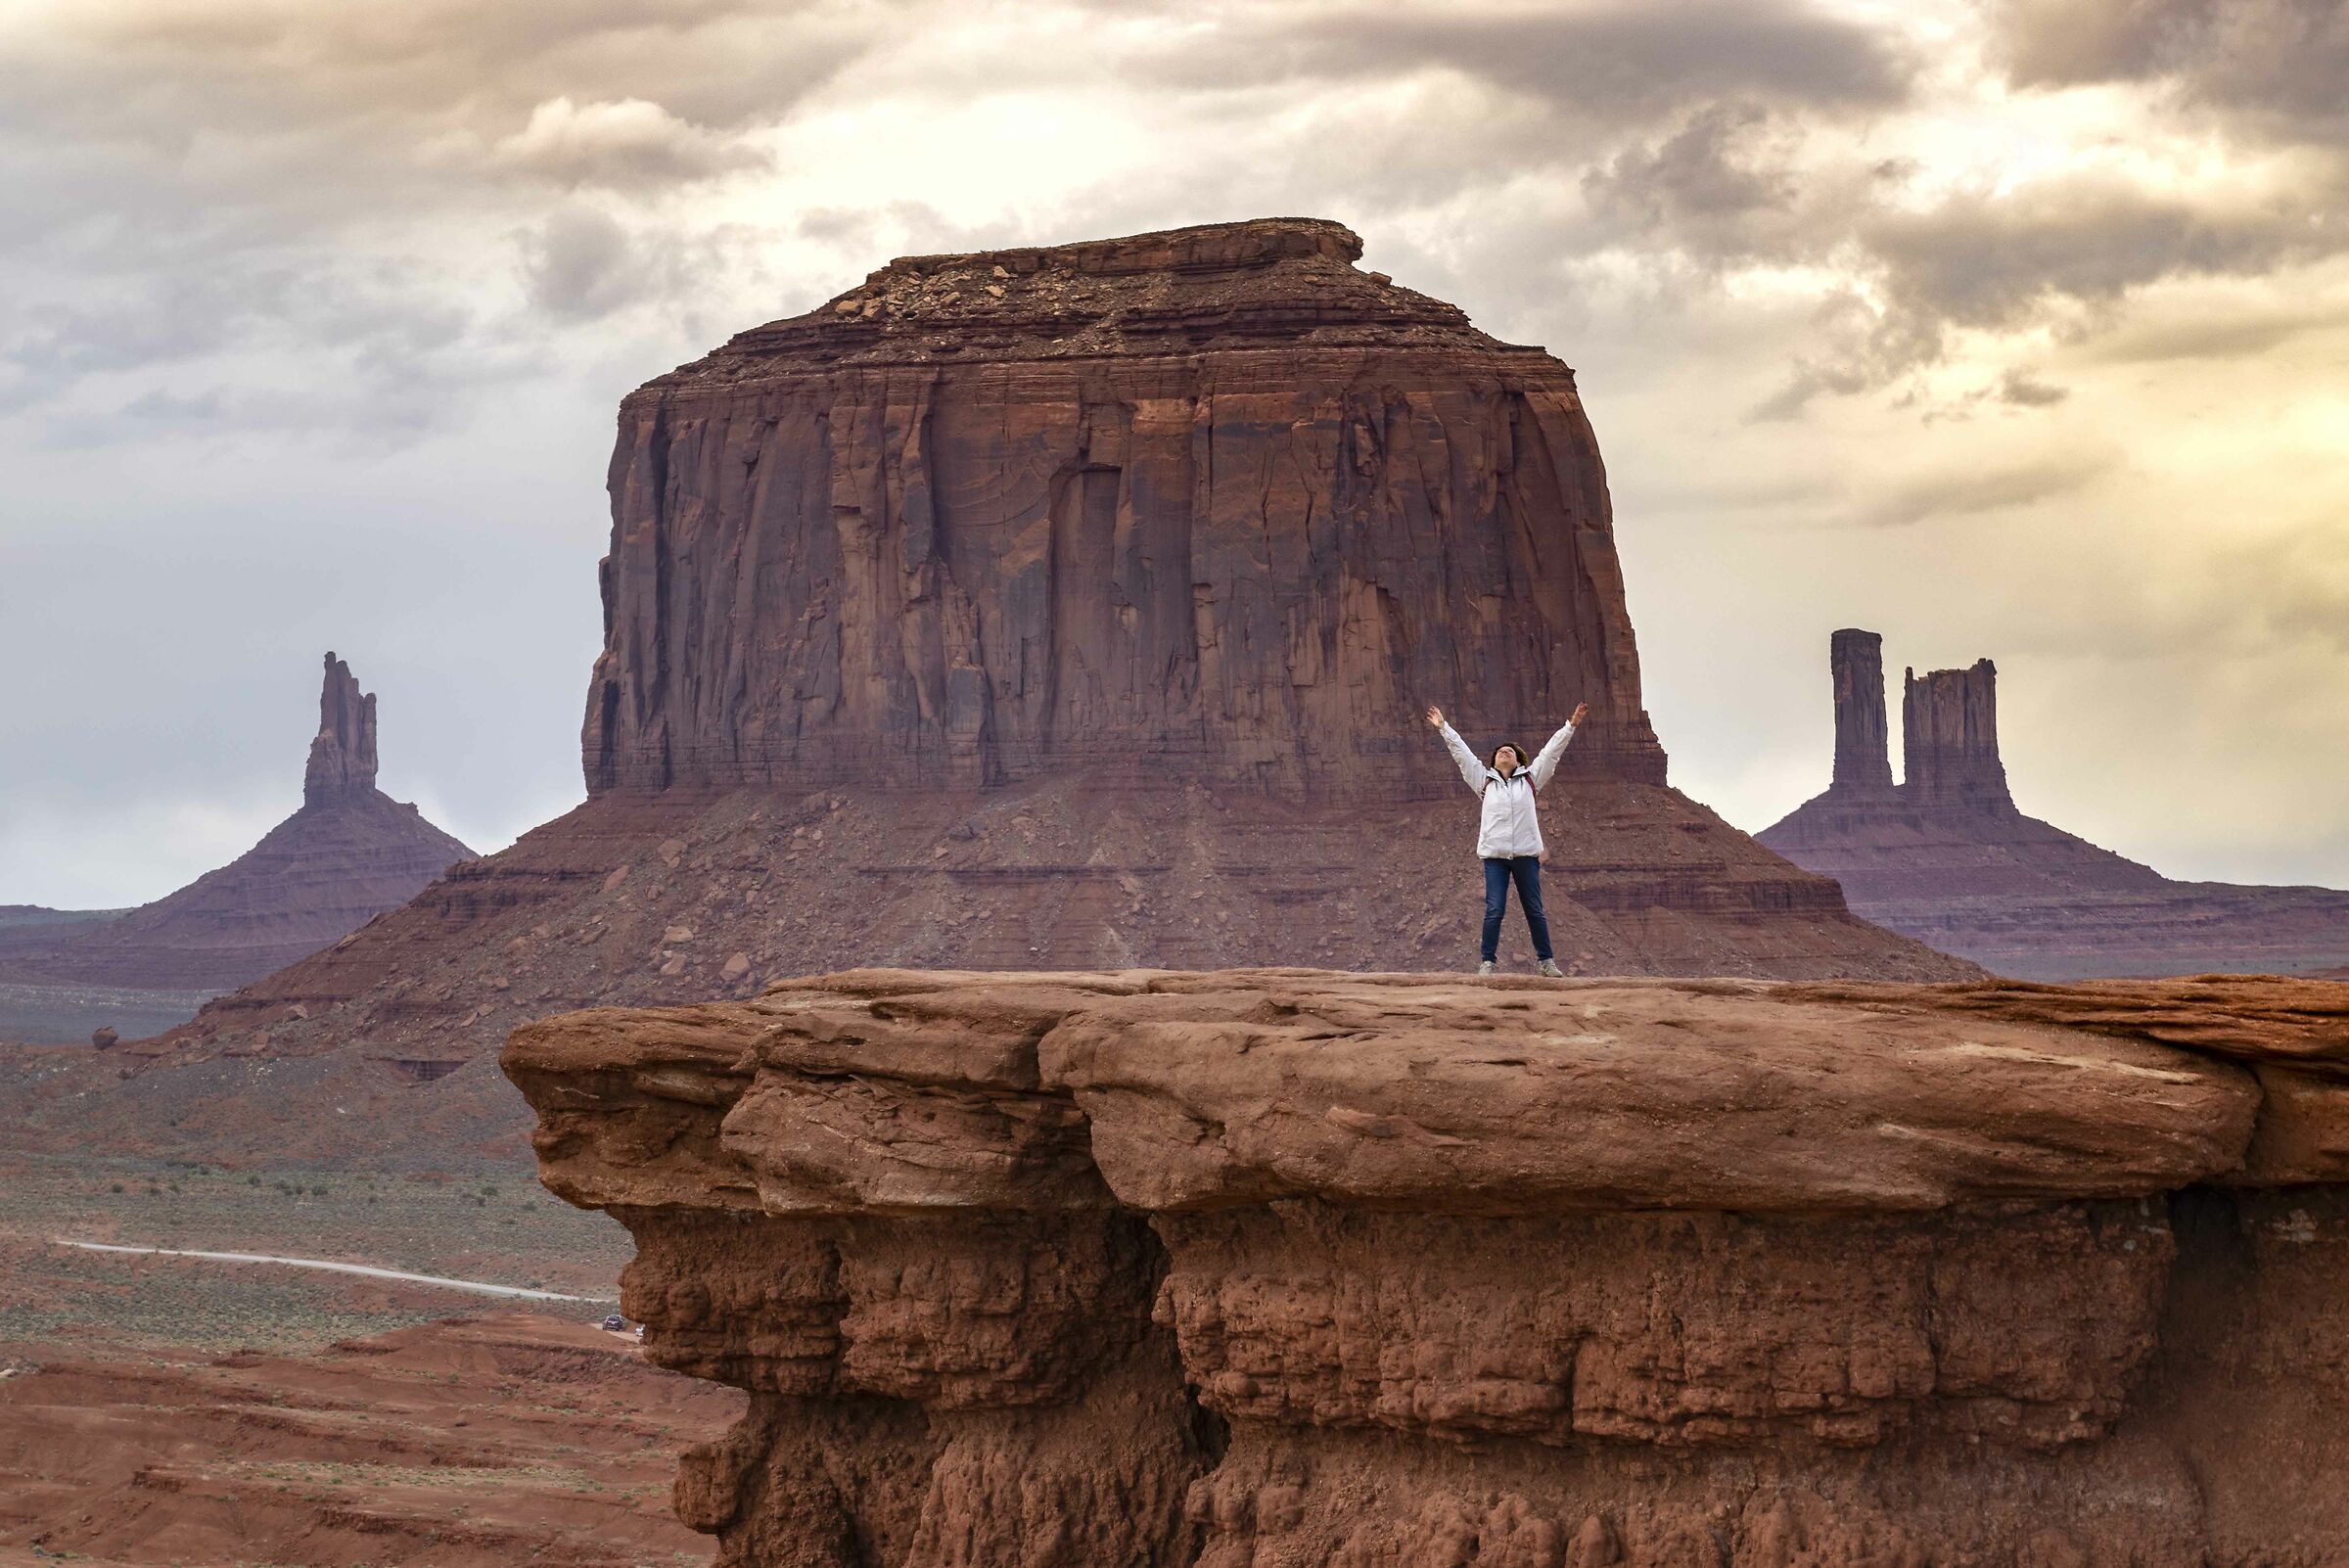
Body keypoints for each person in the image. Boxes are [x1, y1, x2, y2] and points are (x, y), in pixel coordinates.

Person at [1425, 701, 1589, 977]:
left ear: (1518, 761)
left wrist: (1570, 726)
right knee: (1494, 910)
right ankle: (1487, 963)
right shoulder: (1484, 782)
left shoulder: (1531, 780)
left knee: (1534, 910)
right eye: (1501, 751)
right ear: (1493, 761)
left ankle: (1546, 962)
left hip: (1526, 856)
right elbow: (1462, 754)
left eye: (1510, 751)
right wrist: (1444, 728)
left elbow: (1551, 753)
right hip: (1495, 858)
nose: (1505, 751)